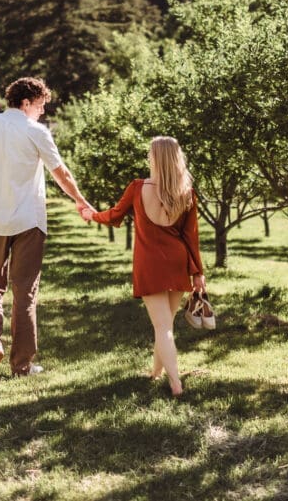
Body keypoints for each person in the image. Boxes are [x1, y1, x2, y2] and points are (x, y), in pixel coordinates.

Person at [0, 77, 92, 377]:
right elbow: (61, 173)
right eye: (40, 106)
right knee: (25, 292)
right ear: (25, 103)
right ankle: (21, 365)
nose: (41, 113)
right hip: (28, 221)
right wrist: (80, 200)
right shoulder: (36, 132)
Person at [81, 136, 205, 396]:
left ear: (155, 158)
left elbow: (114, 215)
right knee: (165, 324)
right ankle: (156, 372)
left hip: (150, 264)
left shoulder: (138, 188)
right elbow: (191, 237)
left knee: (162, 326)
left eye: (150, 154)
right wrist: (198, 274)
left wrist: (91, 215)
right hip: (177, 261)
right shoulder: (186, 192)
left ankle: (175, 382)